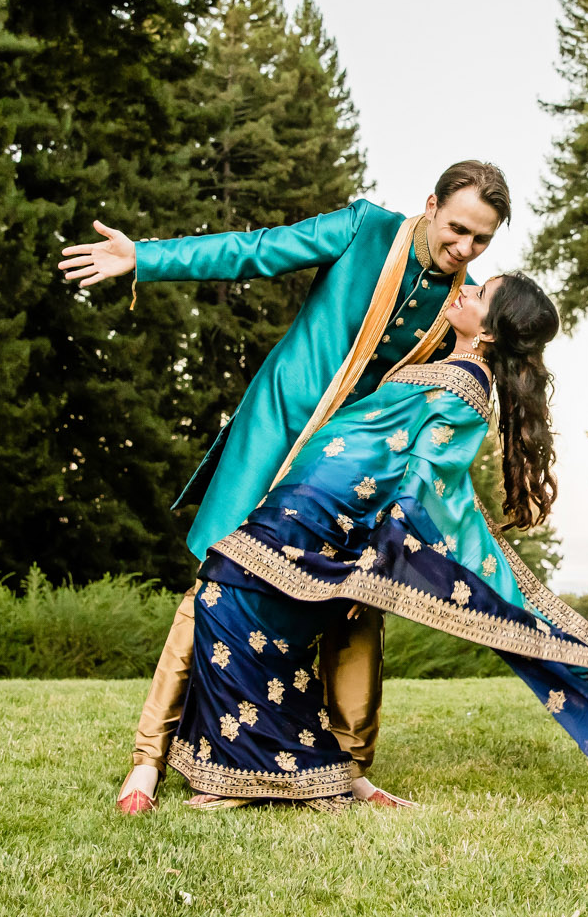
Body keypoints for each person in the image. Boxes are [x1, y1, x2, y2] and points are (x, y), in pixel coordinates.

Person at [58, 161, 510, 813]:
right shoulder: (363, 228)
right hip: (280, 437)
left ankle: (350, 770)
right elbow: (255, 250)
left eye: (481, 242)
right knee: (213, 586)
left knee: (355, 604)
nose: (464, 250)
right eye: (458, 229)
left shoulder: (467, 305)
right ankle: (146, 763)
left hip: (352, 476)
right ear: (431, 203)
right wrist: (145, 258)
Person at [171, 271, 588, 808]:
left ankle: (262, 770)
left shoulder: (469, 388)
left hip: (332, 516)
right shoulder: (453, 365)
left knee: (223, 596)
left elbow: (424, 483)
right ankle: (290, 768)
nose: (465, 291)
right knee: (238, 607)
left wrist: (373, 568)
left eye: (479, 294)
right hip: (311, 500)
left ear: (488, 331)